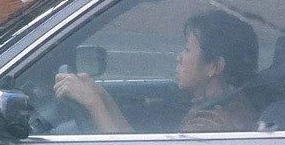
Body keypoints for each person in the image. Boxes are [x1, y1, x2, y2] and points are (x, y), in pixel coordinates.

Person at [53, 9, 259, 134]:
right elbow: (129, 141)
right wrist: (100, 94)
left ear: (214, 67)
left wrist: (92, 103)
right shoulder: (225, 104)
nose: (179, 57)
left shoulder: (209, 124)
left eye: (187, 49)